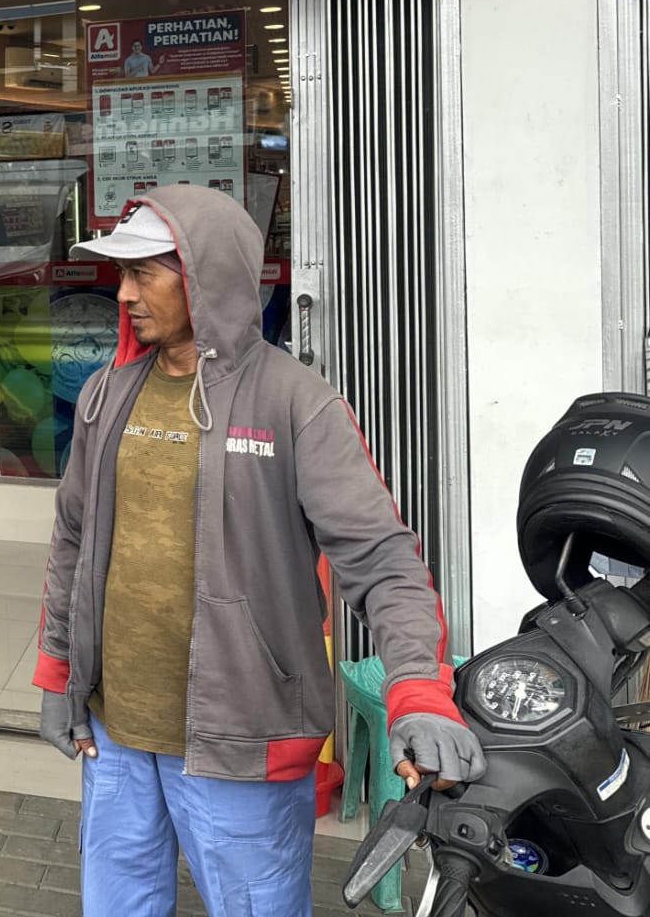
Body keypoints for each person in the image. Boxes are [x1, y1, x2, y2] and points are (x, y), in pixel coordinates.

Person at [34, 184, 485, 916]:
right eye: (121, 273)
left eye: (143, 272)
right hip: (115, 731)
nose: (123, 294)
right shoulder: (105, 395)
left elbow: (382, 559)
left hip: (244, 734)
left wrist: (418, 690)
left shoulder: (295, 401)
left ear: (203, 274)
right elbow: (72, 542)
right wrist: (59, 672)